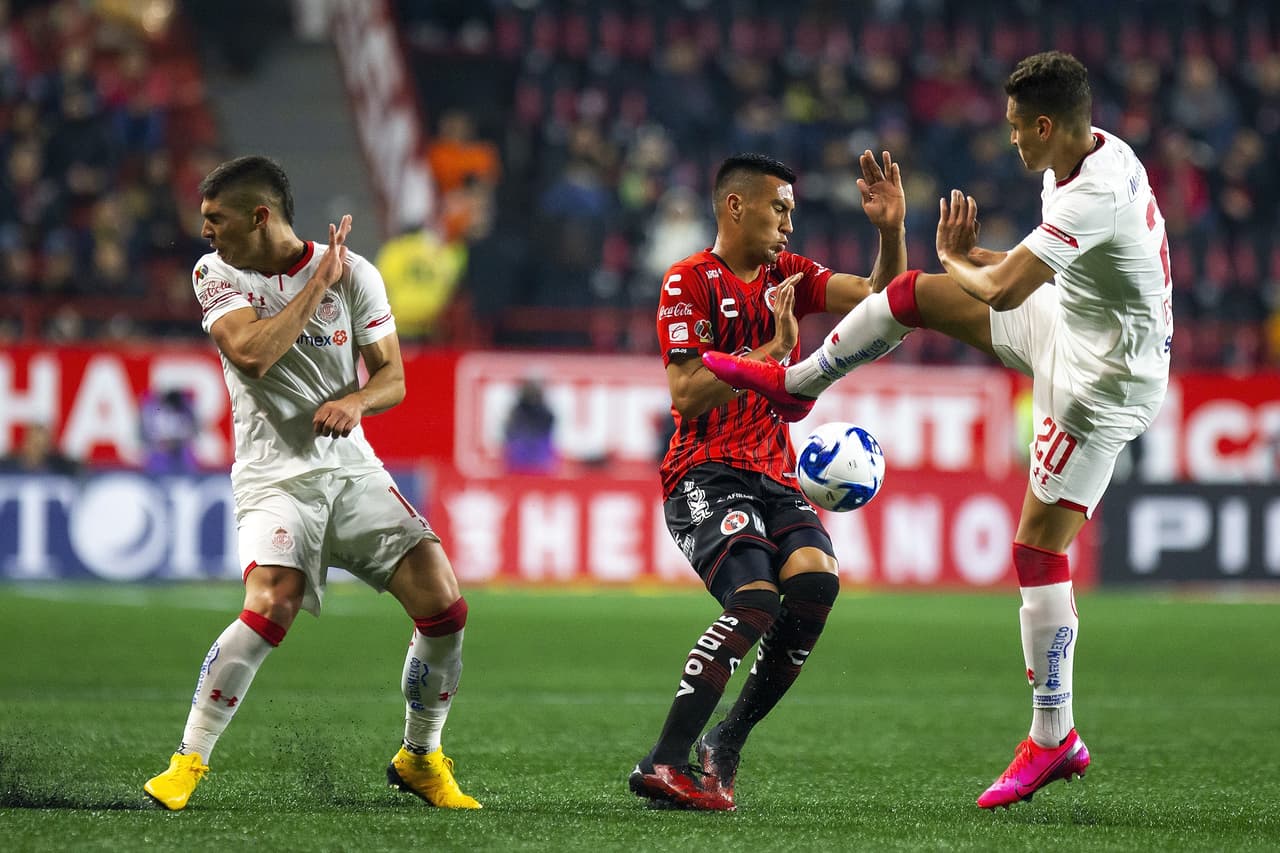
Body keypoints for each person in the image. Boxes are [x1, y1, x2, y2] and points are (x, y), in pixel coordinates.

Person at [703, 51, 1172, 809]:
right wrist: (964, 263)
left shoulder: (1094, 194)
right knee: (913, 293)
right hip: (1071, 326)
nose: (1012, 140)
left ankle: (1054, 738)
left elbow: (1008, 282)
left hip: (1101, 383)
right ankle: (798, 385)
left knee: (1035, 549)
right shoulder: (1092, 153)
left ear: (1048, 125)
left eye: (1019, 128)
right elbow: (1029, 267)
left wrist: (962, 256)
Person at [143, 156, 481, 811]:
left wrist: (358, 401)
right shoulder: (214, 273)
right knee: (272, 601)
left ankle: (420, 755)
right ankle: (188, 761)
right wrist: (313, 284)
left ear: (259, 216)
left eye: (217, 219)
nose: (206, 231)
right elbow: (251, 353)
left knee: (444, 604)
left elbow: (393, 376)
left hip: (350, 466)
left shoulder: (355, 273)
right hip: (274, 474)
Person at [631, 149, 906, 811]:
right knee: (754, 598)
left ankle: (726, 740)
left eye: (791, 210)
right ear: (736, 205)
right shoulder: (688, 280)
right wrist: (771, 354)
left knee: (815, 583)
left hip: (774, 473)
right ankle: (664, 760)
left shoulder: (790, 275)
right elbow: (688, 393)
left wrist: (891, 231)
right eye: (778, 208)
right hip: (704, 471)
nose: (788, 222)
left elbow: (880, 299)